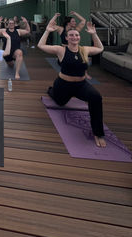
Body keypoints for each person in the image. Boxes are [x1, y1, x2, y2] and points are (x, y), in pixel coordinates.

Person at [37, 16, 106, 148]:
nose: (74, 37)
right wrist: (47, 31)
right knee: (60, 102)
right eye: (71, 35)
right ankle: (51, 90)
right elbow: (41, 45)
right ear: (67, 38)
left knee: (96, 97)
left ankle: (98, 133)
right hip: (63, 84)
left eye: (76, 35)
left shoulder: (84, 50)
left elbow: (100, 48)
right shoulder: (61, 50)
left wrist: (94, 34)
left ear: (79, 37)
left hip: (81, 85)